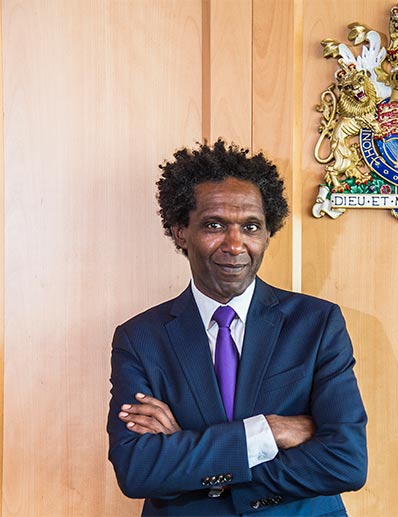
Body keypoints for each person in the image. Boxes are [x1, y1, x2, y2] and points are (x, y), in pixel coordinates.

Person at [107, 139, 367, 516]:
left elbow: (346, 460)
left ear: (266, 233)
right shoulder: (140, 338)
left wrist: (192, 457)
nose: (235, 243)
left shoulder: (318, 324)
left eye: (251, 226)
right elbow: (137, 470)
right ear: (181, 231)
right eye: (215, 225)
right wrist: (267, 432)